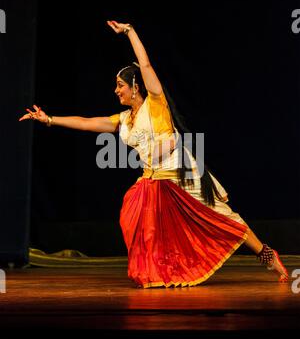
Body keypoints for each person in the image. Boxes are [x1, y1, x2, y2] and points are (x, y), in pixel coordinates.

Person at [19, 20, 289, 288]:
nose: (116, 90)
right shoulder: (125, 119)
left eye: (119, 85)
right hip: (155, 178)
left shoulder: (155, 102)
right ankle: (158, 271)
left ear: (134, 86)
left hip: (181, 173)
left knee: (225, 217)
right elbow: (89, 122)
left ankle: (266, 255)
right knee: (136, 217)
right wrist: (50, 119)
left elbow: (145, 65)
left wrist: (130, 33)